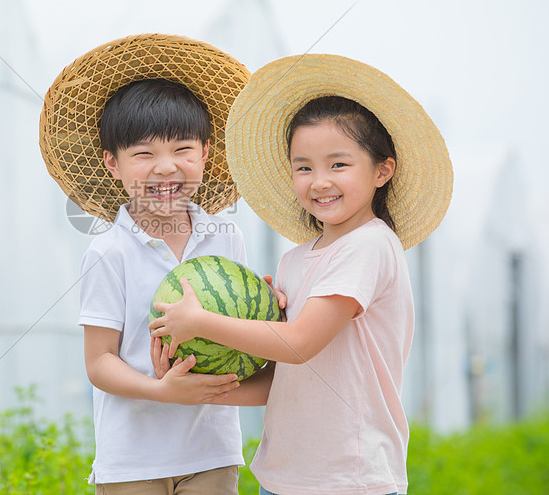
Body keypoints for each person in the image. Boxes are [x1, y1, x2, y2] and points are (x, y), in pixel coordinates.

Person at [149, 54, 453, 495]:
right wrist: (193, 382)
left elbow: (300, 344)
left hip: (351, 478)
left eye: (339, 164)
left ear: (382, 170)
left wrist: (199, 322)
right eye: (304, 167)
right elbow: (282, 379)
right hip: (283, 477)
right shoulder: (294, 261)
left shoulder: (370, 245)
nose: (319, 181)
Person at [39, 34, 253, 494]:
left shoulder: (227, 238)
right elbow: (99, 361)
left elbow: (242, 336)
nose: (165, 168)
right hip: (132, 462)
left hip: (212, 453)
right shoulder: (108, 252)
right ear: (112, 164)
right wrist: (161, 391)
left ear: (206, 152)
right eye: (143, 154)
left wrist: (269, 308)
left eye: (182, 150)